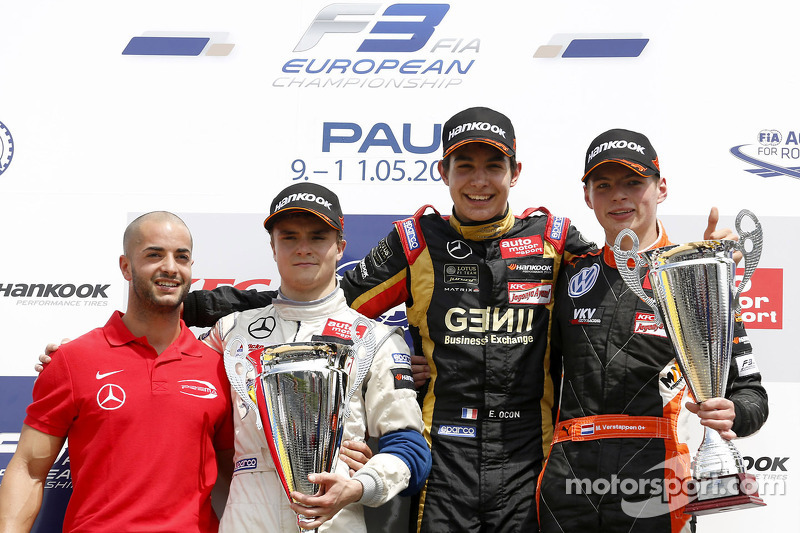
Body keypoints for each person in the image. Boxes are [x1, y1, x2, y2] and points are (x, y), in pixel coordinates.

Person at [181, 107, 597, 532]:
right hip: (445, 459)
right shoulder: (416, 243)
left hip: (531, 453)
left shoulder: (553, 240)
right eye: (464, 166)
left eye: (494, 166)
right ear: (443, 172)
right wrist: (192, 306)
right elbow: (322, 302)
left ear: (515, 171)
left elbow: (611, 300)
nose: (479, 181)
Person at [536, 129, 769, 532]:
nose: (619, 196)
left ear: (660, 189)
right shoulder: (569, 272)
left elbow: (751, 393)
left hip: (656, 477)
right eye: (604, 185)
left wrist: (734, 412)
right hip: (568, 482)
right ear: (587, 196)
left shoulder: (696, 277)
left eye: (633, 183)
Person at [199, 183, 431, 532]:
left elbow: (411, 450)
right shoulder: (229, 333)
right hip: (246, 518)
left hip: (336, 518)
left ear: (340, 247)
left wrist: (360, 484)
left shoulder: (375, 339)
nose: (303, 249)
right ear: (273, 248)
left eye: (318, 237)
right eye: (289, 237)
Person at [0, 212, 234, 533]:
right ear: (126, 266)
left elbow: (241, 472)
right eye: (154, 254)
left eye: (182, 257)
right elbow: (29, 469)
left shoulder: (217, 367)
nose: (170, 267)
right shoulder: (73, 359)